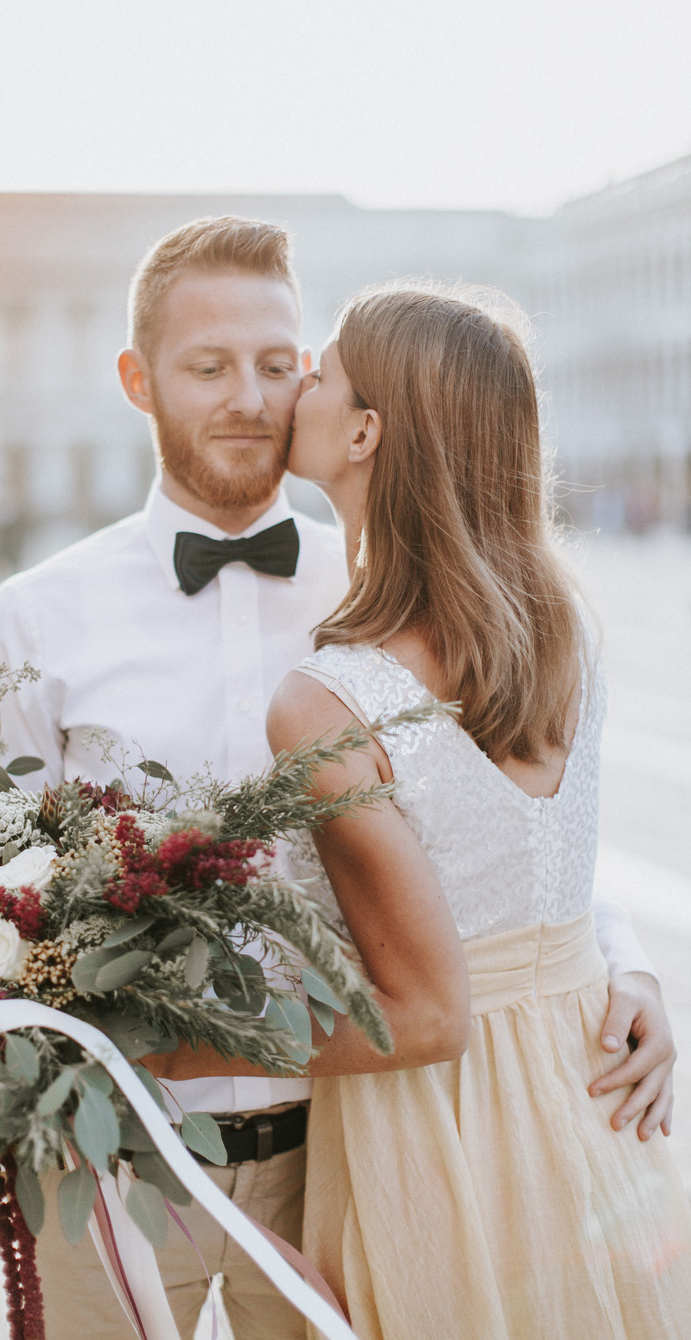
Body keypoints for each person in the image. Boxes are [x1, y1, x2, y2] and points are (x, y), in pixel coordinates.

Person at [0, 219, 675, 1340]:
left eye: (279, 364)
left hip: (340, 1148)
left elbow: (486, 841)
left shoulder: (393, 607)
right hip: (117, 1151)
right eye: (208, 367)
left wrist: (622, 965)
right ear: (137, 379)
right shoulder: (34, 616)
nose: (249, 397)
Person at [270, 282, 691, 1337]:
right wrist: (625, 961)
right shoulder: (564, 635)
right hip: (588, 1095)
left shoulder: (325, 702)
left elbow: (419, 1011)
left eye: (314, 369)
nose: (293, 384)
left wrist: (167, 1044)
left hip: (434, 1127)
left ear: (364, 430)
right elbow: (531, 873)